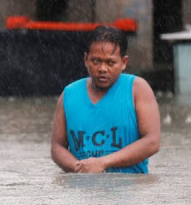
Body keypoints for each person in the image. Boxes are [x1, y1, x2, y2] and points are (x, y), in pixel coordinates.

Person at [51, 25, 161, 173]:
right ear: (85, 59)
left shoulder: (138, 89)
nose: (102, 68)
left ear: (123, 62)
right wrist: (81, 168)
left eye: (110, 62)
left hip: (130, 191)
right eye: (96, 61)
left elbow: (152, 142)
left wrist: (103, 163)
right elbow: (57, 147)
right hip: (82, 189)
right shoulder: (69, 94)